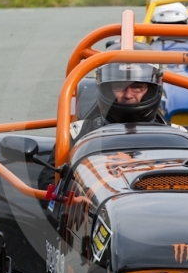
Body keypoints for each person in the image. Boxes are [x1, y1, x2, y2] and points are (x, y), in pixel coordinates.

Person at [38, 59, 164, 191]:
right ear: (106, 89)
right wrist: (76, 197)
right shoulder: (78, 134)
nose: (128, 95)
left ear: (152, 90)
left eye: (137, 87)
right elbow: (49, 180)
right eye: (119, 86)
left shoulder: (176, 137)